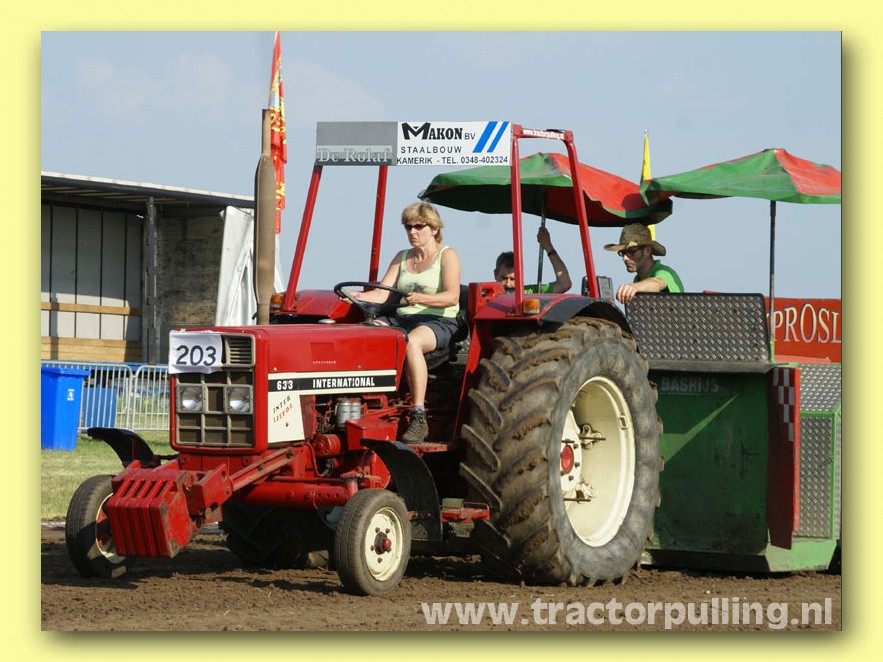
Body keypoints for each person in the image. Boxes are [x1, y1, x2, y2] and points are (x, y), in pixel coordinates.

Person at [351, 202, 461, 443]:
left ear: (434, 229)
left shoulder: (447, 255)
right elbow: (381, 294)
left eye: (418, 226)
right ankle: (362, 402)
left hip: (438, 319)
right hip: (403, 317)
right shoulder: (402, 257)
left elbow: (452, 296)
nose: (412, 232)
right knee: (363, 334)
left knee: (411, 342)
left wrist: (422, 298)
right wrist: (355, 295)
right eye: (408, 227)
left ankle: (418, 414)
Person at [604, 222, 684, 304]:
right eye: (622, 253)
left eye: (630, 252)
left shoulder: (665, 272)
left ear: (647, 251)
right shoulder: (637, 280)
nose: (625, 258)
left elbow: (657, 282)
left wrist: (635, 287)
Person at [493, 227, 572, 293]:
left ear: (521, 277)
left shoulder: (530, 293)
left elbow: (565, 284)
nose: (508, 284)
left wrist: (548, 247)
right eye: (504, 278)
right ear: (495, 274)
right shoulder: (487, 297)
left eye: (513, 279)